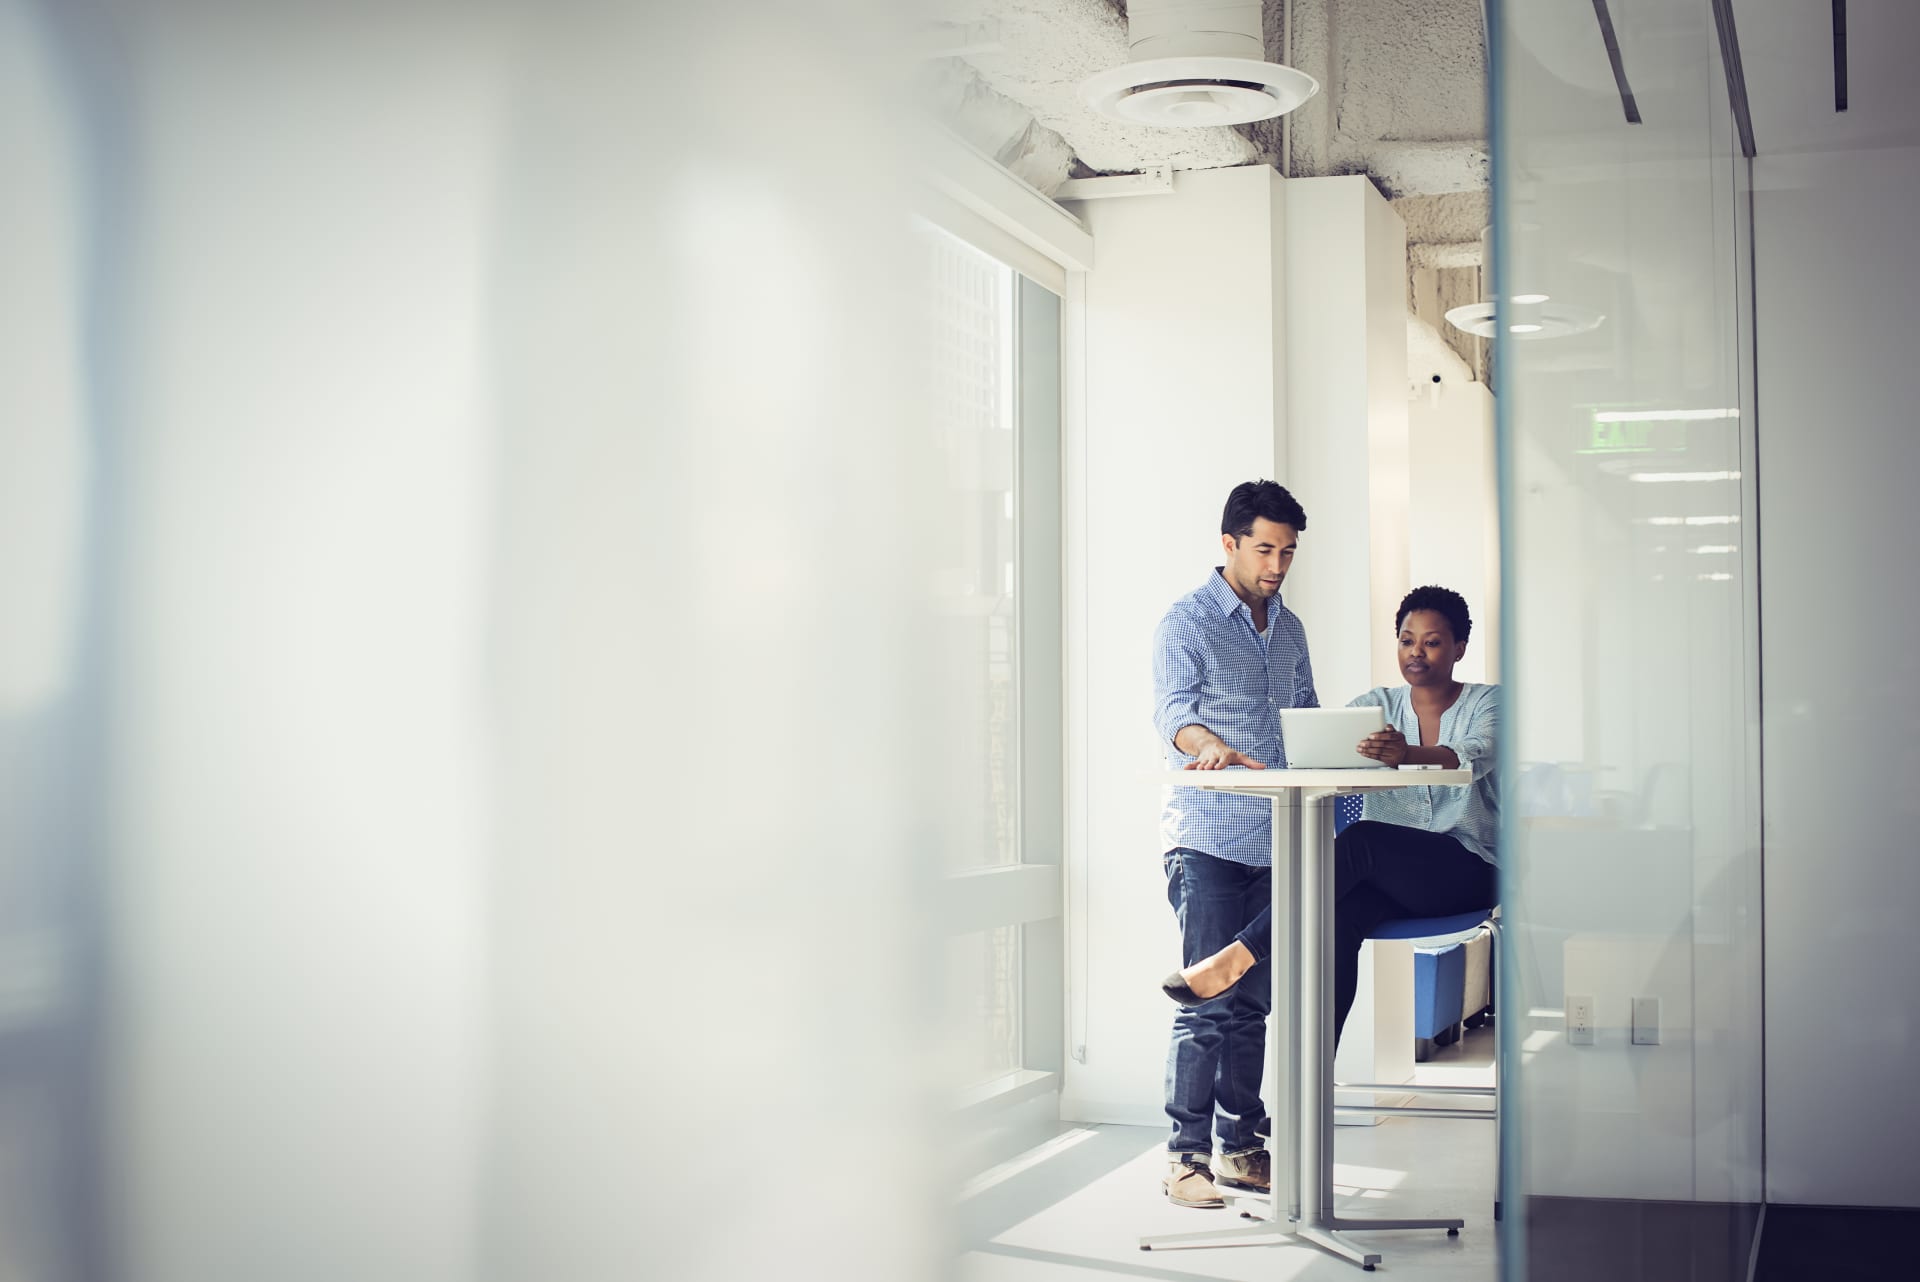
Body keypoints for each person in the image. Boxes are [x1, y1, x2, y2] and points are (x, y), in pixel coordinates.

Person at [1160, 585, 1499, 1053]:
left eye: (1432, 641)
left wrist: (1407, 754)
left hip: (1468, 871)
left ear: (1459, 647)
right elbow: (1316, 755)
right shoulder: (1372, 708)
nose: (1416, 652)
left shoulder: (1489, 703)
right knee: (1336, 918)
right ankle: (1310, 1090)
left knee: (1361, 840)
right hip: (1394, 888)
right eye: (1406, 640)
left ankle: (1239, 954)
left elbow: (1473, 756)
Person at [1151, 480, 1319, 1209]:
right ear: (1229, 544)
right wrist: (1207, 743)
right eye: (1264, 549)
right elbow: (1172, 713)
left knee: (1252, 1003)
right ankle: (1185, 1157)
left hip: (1276, 838)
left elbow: (1307, 716)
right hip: (1209, 840)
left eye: (1286, 551)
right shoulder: (1186, 622)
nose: (1277, 564)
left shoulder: (1291, 630)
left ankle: (1242, 1148)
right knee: (1206, 1004)